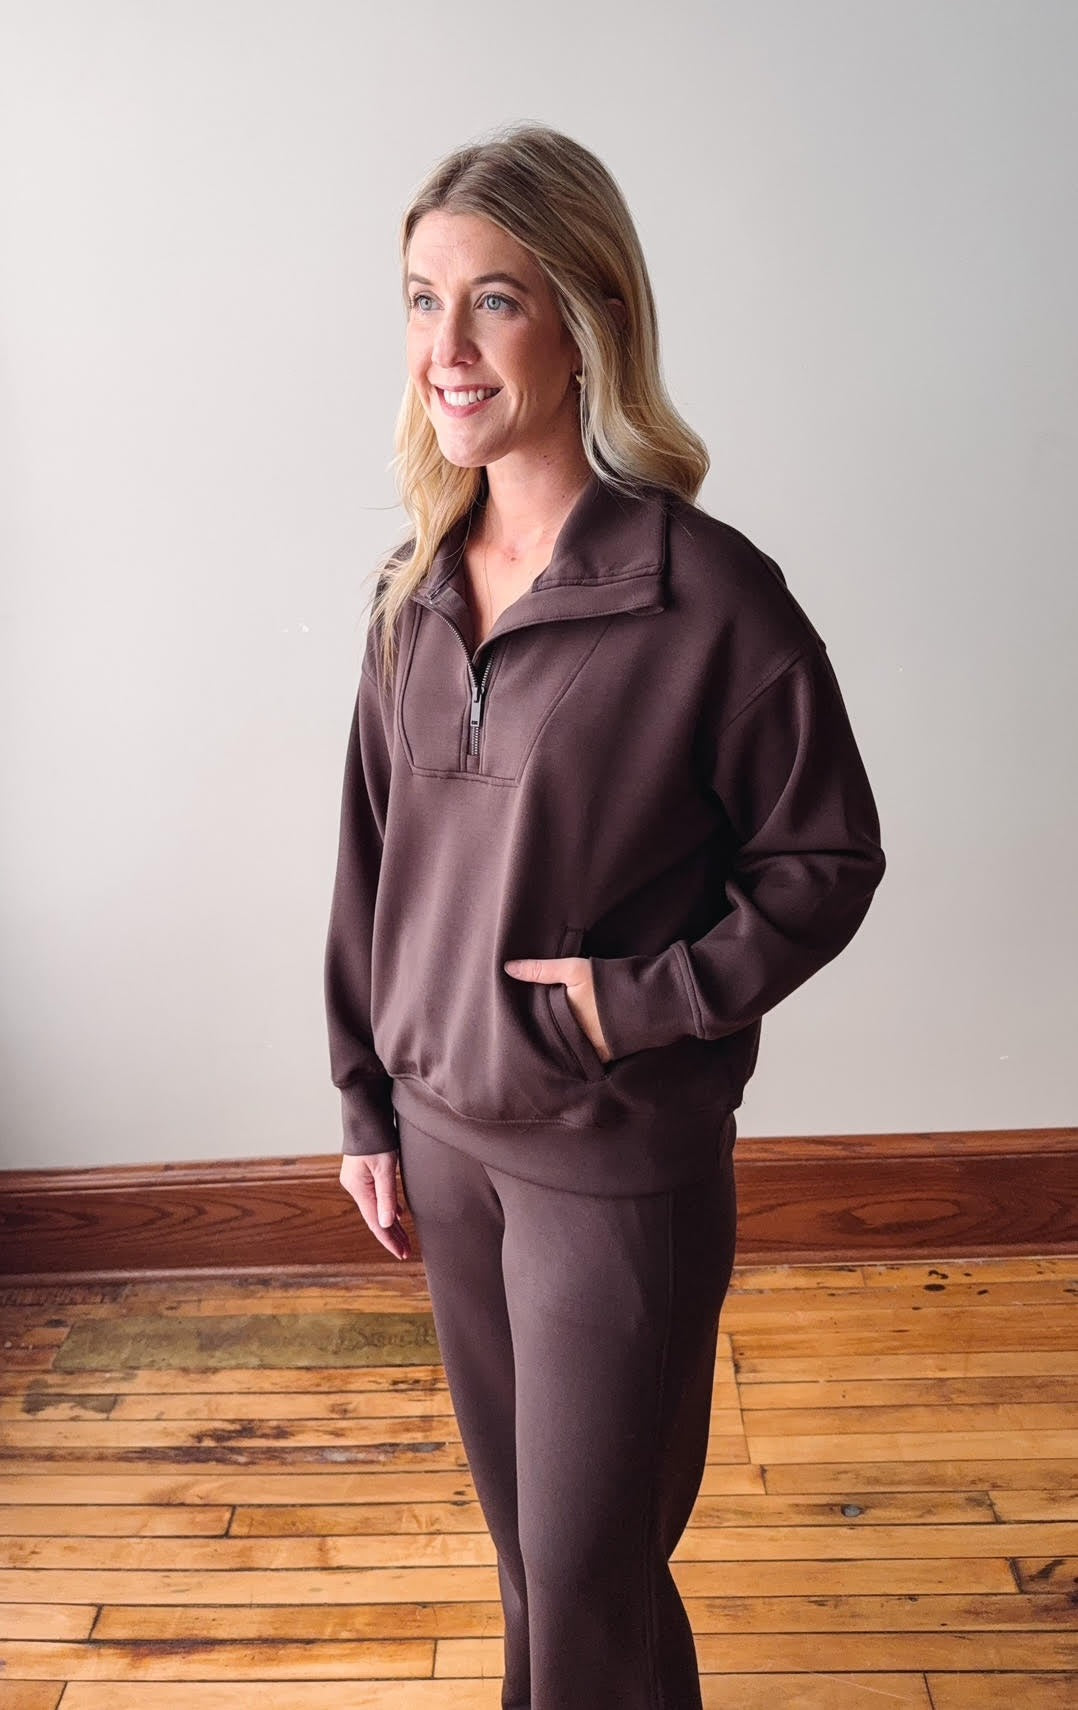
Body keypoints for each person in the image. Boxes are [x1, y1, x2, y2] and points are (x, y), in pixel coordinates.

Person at [324, 122, 886, 1710]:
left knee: (585, 1578)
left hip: (610, 1158)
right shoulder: (413, 586)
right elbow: (368, 860)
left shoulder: (708, 597)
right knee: (539, 1572)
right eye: (422, 298)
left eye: (493, 300)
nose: (446, 346)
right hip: (443, 1139)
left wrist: (627, 1002)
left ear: (584, 320)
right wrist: (364, 1098)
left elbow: (823, 859)